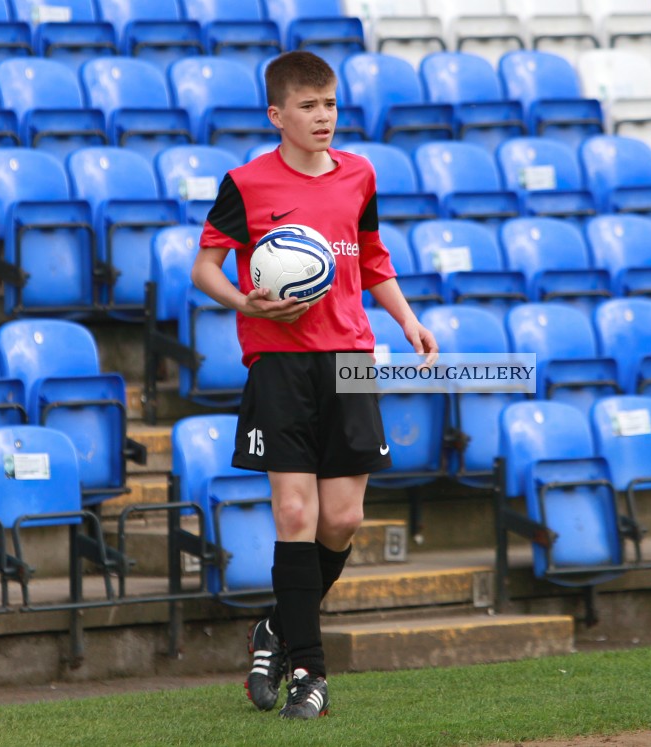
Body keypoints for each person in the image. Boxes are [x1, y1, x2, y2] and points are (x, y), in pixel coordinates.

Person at [190, 50, 438, 720]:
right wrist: (244, 302)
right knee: (296, 516)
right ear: (277, 115)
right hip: (278, 363)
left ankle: (276, 627)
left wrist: (408, 319)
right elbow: (205, 266)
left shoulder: (359, 174)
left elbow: (373, 257)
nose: (323, 116)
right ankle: (310, 673)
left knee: (343, 519)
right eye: (308, 106)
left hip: (350, 360)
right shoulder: (245, 183)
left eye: (329, 103)